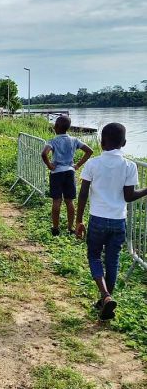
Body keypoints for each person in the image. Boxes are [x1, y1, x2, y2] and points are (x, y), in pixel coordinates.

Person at [76, 123, 147, 321]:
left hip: (97, 219)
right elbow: (129, 196)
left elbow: (83, 194)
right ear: (124, 143)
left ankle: (105, 296)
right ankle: (105, 301)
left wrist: (79, 220)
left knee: (94, 256)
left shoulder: (92, 164)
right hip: (118, 221)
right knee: (112, 261)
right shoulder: (129, 166)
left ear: (101, 142)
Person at [42, 115, 93, 236]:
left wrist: (49, 165)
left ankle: (55, 228)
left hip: (56, 173)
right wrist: (78, 165)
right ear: (68, 128)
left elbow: (44, 153)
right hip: (70, 172)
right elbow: (89, 151)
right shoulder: (74, 140)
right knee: (69, 201)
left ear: (56, 127)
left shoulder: (52, 141)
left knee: (56, 201)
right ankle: (70, 228)